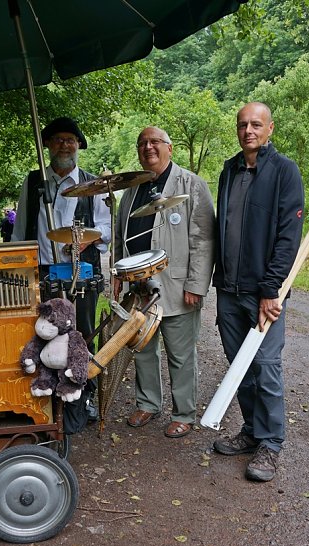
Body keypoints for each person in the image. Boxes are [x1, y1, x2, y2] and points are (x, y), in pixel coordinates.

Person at [211, 102, 305, 482]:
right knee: (239, 369)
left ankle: (271, 444)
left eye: (256, 124)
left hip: (263, 293)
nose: (248, 130)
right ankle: (251, 431)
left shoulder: (285, 172)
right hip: (229, 289)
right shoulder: (229, 170)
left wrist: (271, 290)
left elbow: (288, 237)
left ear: (270, 129)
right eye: (242, 125)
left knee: (265, 368)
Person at [113, 126, 215, 438]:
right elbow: (121, 236)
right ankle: (148, 403)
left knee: (180, 353)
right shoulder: (131, 189)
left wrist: (196, 285)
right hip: (139, 286)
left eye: (155, 142)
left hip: (177, 285)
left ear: (169, 148)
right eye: (142, 143)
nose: (148, 147)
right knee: (142, 347)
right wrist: (118, 276)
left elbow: (204, 239)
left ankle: (184, 412)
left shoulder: (190, 184)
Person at [12, 117, 111, 431]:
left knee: (82, 333)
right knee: (42, 333)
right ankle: (48, 396)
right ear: (48, 146)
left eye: (70, 139)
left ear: (78, 145)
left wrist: (85, 242)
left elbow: (105, 229)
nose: (64, 145)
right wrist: (19, 269)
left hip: (81, 271)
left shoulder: (93, 184)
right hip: (42, 272)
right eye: (57, 140)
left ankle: (84, 394)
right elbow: (20, 229)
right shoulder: (33, 182)